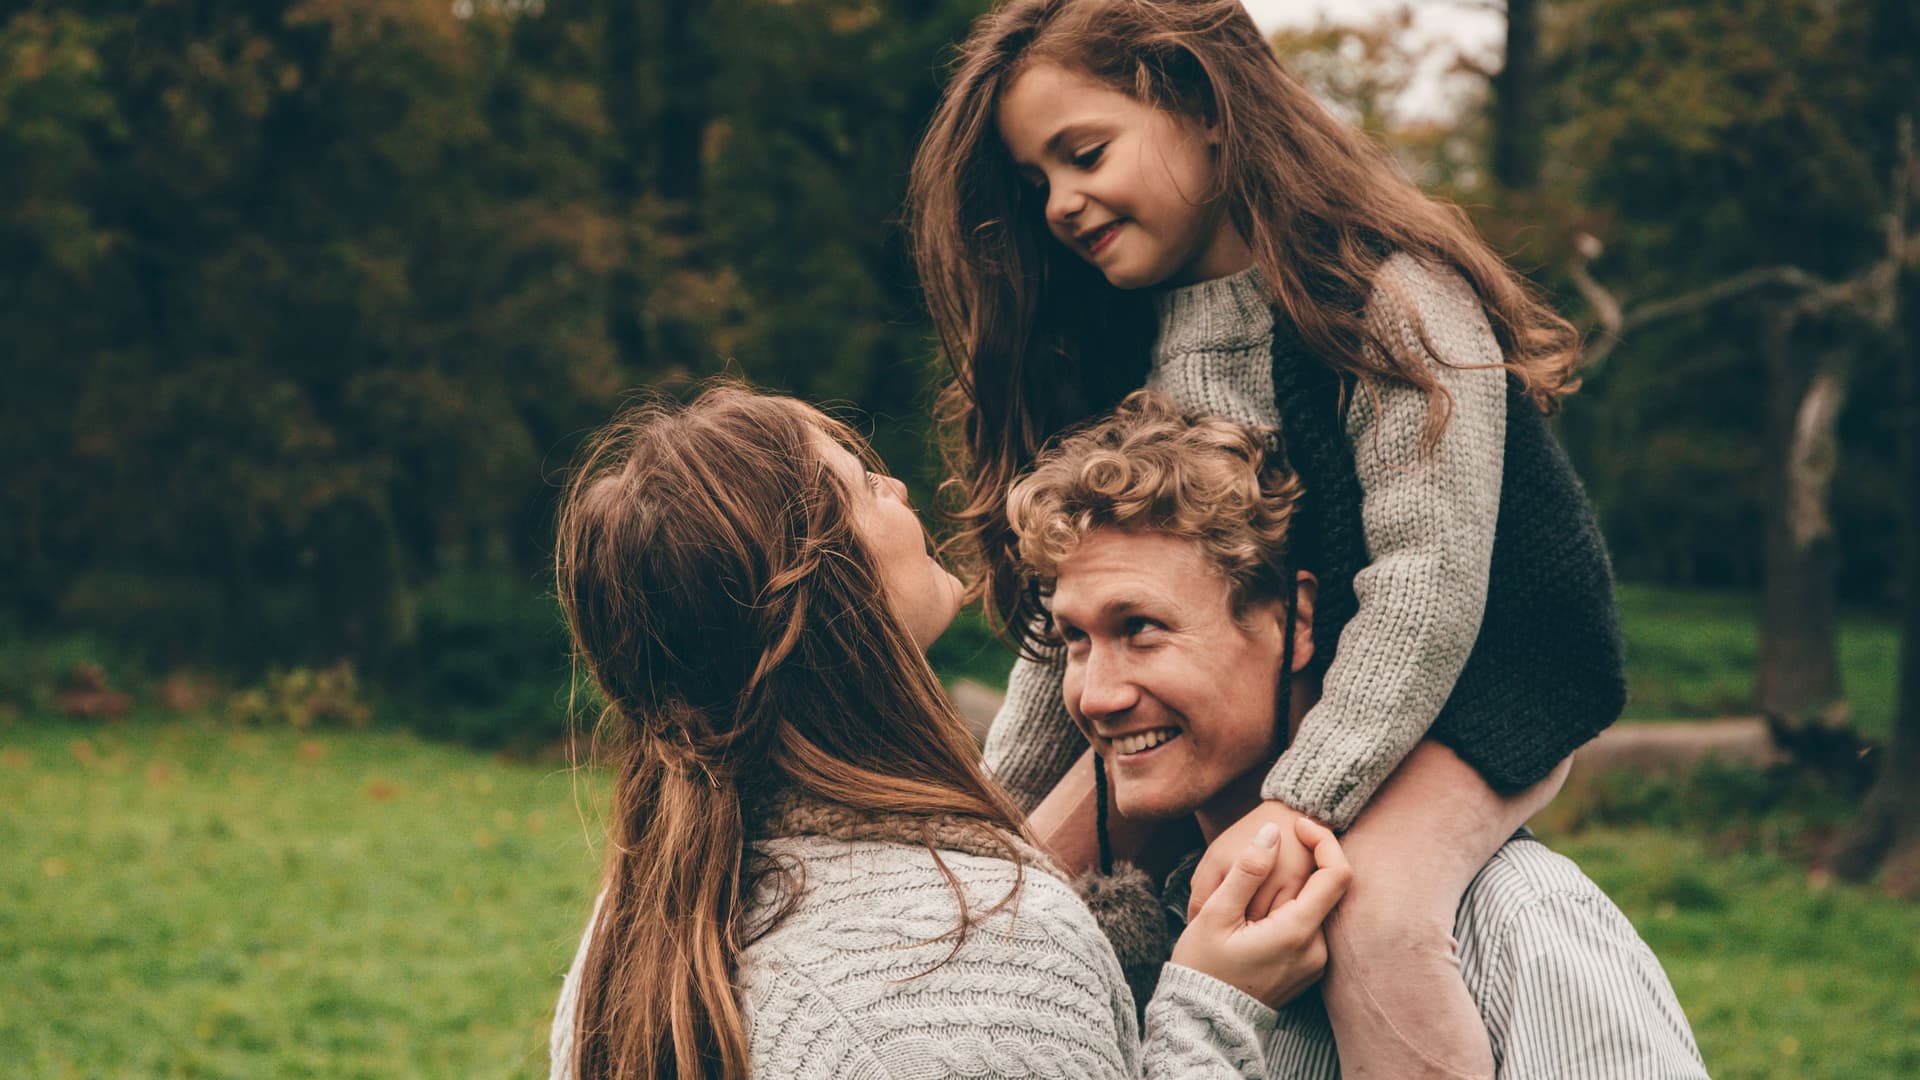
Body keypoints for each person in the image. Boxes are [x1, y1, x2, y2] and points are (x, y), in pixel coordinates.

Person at [908, 2, 1625, 1074]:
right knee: (1019, 888)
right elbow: (1072, 628)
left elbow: (1425, 593)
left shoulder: (1384, 302)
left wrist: (1296, 805)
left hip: (1486, 691)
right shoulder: (1123, 340)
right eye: (1035, 180)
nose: (1059, 203)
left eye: (1084, 154)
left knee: (1373, 920)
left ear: (1204, 105)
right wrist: (984, 829)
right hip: (1276, 693)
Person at [545, 381, 1353, 1080]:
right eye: (865, 485)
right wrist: (1213, 1010)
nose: (897, 486)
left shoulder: (635, 928)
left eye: (1140, 628)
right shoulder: (971, 946)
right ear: (832, 590)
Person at [1009, 393, 1707, 1078]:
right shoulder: (1128, 944)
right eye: (1076, 638)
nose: (1097, 696)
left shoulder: (1519, 925)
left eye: (1140, 629)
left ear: (1296, 621)